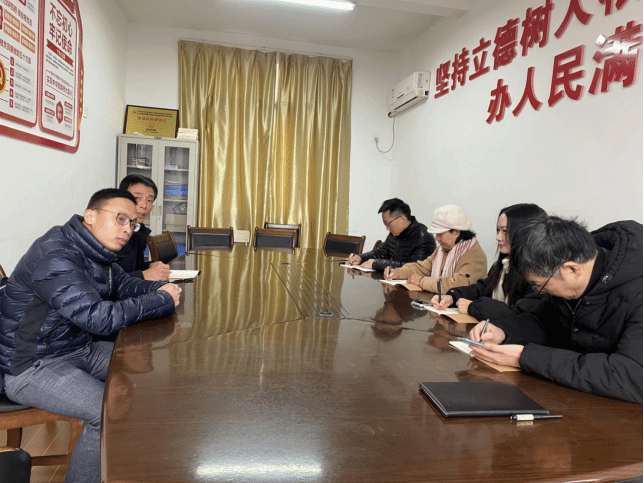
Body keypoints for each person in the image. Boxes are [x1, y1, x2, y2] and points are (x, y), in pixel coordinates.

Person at [0, 189, 182, 482]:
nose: (127, 229)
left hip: (76, 349)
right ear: (90, 216)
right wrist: (161, 300)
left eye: (132, 224)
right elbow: (99, 319)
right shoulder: (56, 255)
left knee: (149, 372)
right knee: (105, 412)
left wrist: (163, 290)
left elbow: (124, 286)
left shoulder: (96, 251)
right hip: (31, 365)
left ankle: (121, 462)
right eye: (120, 219)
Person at [468, 216, 643, 404]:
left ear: (572, 270)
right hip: (575, 398)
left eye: (539, 285)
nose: (539, 292)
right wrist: (503, 331)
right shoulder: (570, 269)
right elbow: (543, 321)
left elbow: (631, 376)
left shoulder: (636, 292)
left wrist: (526, 357)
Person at [431, 203, 547, 320]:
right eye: (498, 230)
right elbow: (481, 289)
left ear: (527, 233)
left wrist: (473, 307)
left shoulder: (539, 277)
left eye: (505, 231)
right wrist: (452, 296)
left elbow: (518, 315)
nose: (498, 237)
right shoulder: (505, 265)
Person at [384, 205, 487, 293]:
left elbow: (457, 285)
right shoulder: (442, 250)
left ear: (456, 232)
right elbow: (422, 268)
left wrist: (422, 281)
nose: (436, 238)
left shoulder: (475, 255)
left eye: (440, 234)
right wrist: (398, 272)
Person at [347, 198, 436, 271]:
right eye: (385, 224)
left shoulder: (423, 238)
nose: (387, 228)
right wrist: (361, 258)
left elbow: (413, 268)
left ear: (402, 219)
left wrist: (376, 264)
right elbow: (379, 253)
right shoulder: (394, 234)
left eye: (388, 223)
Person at [117, 174, 170, 281]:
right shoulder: (112, 232)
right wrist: (144, 275)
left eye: (149, 200)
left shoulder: (139, 230)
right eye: (137, 198)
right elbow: (106, 281)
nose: (144, 206)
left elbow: (133, 269)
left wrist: (151, 266)